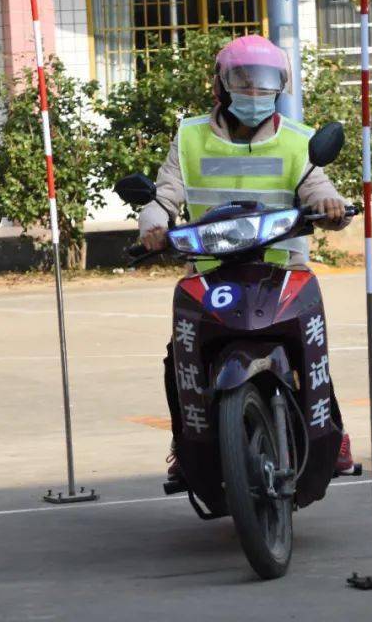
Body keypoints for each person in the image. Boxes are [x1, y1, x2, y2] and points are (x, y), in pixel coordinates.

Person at [137, 34, 356, 480]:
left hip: (281, 269)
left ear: (280, 87)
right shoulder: (190, 136)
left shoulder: (299, 141)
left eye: (263, 83)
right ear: (220, 85)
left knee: (309, 347)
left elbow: (318, 187)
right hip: (212, 273)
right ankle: (186, 443)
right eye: (242, 81)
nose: (253, 93)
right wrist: (153, 223)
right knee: (179, 356)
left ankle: (331, 433)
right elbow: (165, 195)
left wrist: (333, 207)